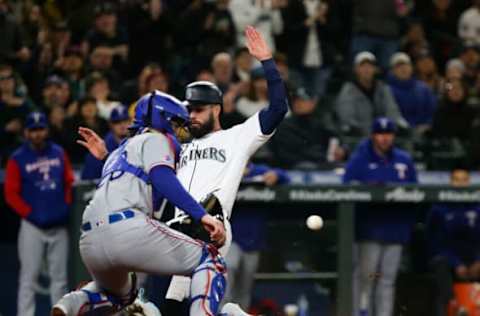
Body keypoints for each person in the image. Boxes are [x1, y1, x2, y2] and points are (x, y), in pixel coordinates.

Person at [79, 26, 288, 316]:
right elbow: (145, 174)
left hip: (208, 225)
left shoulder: (237, 137)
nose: (192, 115)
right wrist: (107, 157)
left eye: (200, 109)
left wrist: (267, 62)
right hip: (171, 230)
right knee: (159, 308)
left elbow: (277, 108)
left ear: (217, 109)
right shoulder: (174, 145)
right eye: (189, 109)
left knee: (162, 306)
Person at [51, 91, 227, 316]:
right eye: (175, 123)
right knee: (211, 259)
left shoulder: (118, 154)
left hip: (89, 239)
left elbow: (133, 173)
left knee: (120, 295)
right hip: (127, 227)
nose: (178, 131)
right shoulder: (156, 138)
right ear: (163, 119)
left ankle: (72, 303)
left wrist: (106, 156)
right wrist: (203, 215)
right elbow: (163, 179)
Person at [343, 117, 418, 316]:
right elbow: (345, 186)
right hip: (369, 230)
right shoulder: (360, 158)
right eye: (380, 134)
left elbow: (417, 192)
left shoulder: (404, 159)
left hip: (395, 229)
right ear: (373, 135)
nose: (384, 138)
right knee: (365, 279)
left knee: (387, 280)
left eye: (388, 134)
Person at [4, 111, 74, 316]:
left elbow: (69, 182)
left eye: (40, 129)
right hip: (32, 226)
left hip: (58, 225)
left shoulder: (59, 152)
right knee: (28, 278)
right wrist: (30, 213)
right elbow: (10, 194)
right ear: (26, 132)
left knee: (60, 279)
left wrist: (65, 206)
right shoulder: (17, 158)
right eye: (33, 130)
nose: (37, 134)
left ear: (47, 130)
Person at [224, 162, 290, 311]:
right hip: (230, 238)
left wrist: (276, 175)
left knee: (245, 289)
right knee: (227, 279)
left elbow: (286, 177)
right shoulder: (227, 168)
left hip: (254, 240)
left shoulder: (259, 171)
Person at [427, 168, 480, 316]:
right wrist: (456, 263)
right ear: (451, 183)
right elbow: (436, 242)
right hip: (448, 259)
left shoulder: (477, 206)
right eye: (457, 180)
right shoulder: (439, 208)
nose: (461, 184)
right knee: (440, 267)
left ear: (469, 183)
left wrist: (478, 260)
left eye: (464, 180)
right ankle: (448, 308)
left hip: (473, 258)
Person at [336, 51, 407, 137]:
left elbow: (392, 111)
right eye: (363, 66)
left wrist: (392, 127)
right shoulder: (347, 90)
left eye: (370, 66)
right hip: (359, 137)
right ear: (356, 69)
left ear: (375, 69)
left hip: (384, 135)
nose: (367, 69)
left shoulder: (383, 88)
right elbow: (347, 119)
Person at [271, 87, 344, 169]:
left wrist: (342, 150)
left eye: (303, 100)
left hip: (320, 164)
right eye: (296, 101)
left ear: (313, 103)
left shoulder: (319, 123)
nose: (298, 103)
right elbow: (291, 155)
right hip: (293, 168)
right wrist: (324, 157)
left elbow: (336, 139)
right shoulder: (284, 126)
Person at [386, 52, 437, 133]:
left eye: (406, 65)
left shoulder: (424, 88)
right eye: (399, 66)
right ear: (392, 71)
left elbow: (432, 111)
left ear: (411, 68)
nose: (403, 68)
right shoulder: (387, 91)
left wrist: (427, 125)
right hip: (400, 134)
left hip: (425, 132)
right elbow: (391, 115)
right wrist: (408, 129)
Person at [81, 106, 129, 180]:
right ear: (111, 124)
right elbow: (88, 182)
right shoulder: (101, 145)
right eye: (117, 122)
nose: (122, 125)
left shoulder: (136, 143)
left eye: (125, 121)